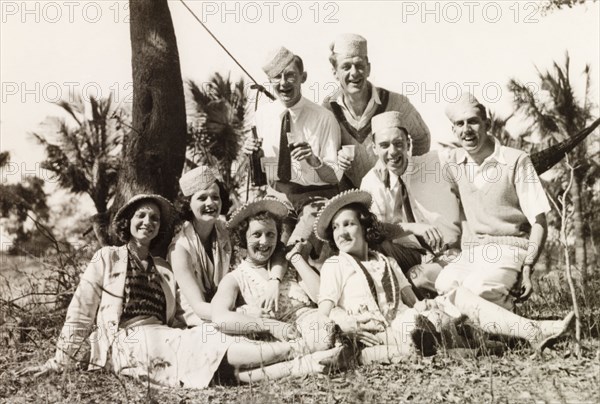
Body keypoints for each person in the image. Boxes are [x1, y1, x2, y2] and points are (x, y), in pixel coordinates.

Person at [16, 194, 326, 387]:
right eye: (141, 216)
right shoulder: (107, 257)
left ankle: (301, 365)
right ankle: (297, 352)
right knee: (193, 347)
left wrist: (231, 318)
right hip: (125, 339)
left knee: (210, 341)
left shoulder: (163, 266)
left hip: (164, 334)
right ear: (127, 222)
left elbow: (183, 314)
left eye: (154, 218)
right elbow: (81, 310)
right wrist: (61, 360)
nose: (148, 222)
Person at [314, 190, 574, 362]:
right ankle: (474, 345)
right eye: (336, 228)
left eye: (348, 224)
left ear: (364, 226)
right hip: (374, 332)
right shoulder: (335, 265)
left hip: (403, 323)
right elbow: (325, 311)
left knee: (455, 296)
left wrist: (423, 304)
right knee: (421, 331)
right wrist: (347, 325)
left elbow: (410, 302)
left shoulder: (387, 261)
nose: (342, 232)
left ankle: (533, 330)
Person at [435, 93, 551, 310]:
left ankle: (511, 325)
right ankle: (480, 335)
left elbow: (539, 221)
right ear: (453, 130)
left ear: (487, 125)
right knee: (444, 283)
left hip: (512, 248)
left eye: (473, 121)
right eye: (459, 124)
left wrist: (528, 268)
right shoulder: (453, 163)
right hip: (476, 251)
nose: (466, 129)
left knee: (478, 288)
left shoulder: (516, 160)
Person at [243, 46, 342, 255]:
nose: (283, 83)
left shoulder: (324, 118)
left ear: (303, 77)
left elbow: (335, 177)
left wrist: (314, 161)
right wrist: (253, 154)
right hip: (278, 195)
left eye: (290, 76)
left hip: (315, 197)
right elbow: (262, 173)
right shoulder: (262, 117)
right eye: (277, 77)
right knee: (266, 248)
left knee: (294, 250)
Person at [211, 197, 335, 354]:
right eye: (256, 234)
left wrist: (296, 259)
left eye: (270, 234)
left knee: (331, 329)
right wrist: (269, 325)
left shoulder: (287, 264)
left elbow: (324, 297)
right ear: (243, 238)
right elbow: (219, 318)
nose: (264, 241)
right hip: (282, 337)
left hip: (315, 322)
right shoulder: (236, 278)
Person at [168, 165, 285, 326]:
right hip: (198, 319)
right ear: (188, 204)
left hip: (229, 308)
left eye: (215, 197)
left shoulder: (225, 230)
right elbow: (198, 307)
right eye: (202, 198)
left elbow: (275, 248)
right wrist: (242, 312)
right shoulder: (180, 248)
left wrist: (274, 280)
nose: (210, 203)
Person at [360, 111, 462, 295]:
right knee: (378, 247)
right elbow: (372, 231)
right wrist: (412, 227)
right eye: (384, 145)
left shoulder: (436, 163)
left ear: (408, 144)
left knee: (419, 279)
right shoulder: (370, 183)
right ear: (373, 148)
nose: (392, 152)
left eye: (398, 144)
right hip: (411, 256)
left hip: (451, 254)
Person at [324, 33, 431, 190]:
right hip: (352, 198)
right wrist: (336, 158)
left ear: (368, 68)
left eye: (359, 65)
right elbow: (324, 157)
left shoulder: (397, 103)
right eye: (346, 67)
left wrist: (405, 172)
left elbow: (422, 138)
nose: (354, 73)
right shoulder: (328, 109)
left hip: (393, 193)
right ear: (334, 72)